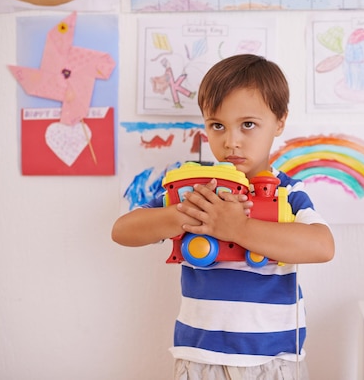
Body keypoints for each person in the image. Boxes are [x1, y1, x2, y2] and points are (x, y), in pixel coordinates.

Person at [111, 54, 335, 380]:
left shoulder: (287, 192)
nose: (231, 141)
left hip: (275, 359)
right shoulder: (195, 189)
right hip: (199, 357)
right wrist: (182, 214)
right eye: (217, 125)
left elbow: (322, 246)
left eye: (248, 124)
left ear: (280, 121)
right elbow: (122, 231)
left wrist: (239, 228)